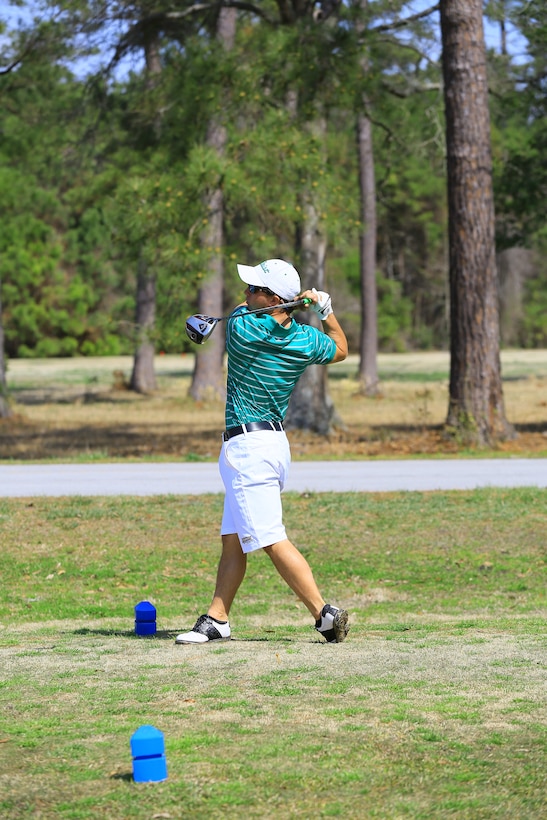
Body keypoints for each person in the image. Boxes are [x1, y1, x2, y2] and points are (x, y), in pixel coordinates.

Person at [176, 258, 349, 645]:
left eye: (253, 289)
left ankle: (324, 615)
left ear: (270, 298)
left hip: (248, 449)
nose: (245, 294)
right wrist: (324, 309)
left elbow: (242, 314)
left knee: (270, 538)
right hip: (272, 445)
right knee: (233, 538)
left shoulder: (243, 328)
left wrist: (288, 306)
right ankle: (216, 619)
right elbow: (340, 349)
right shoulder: (304, 339)